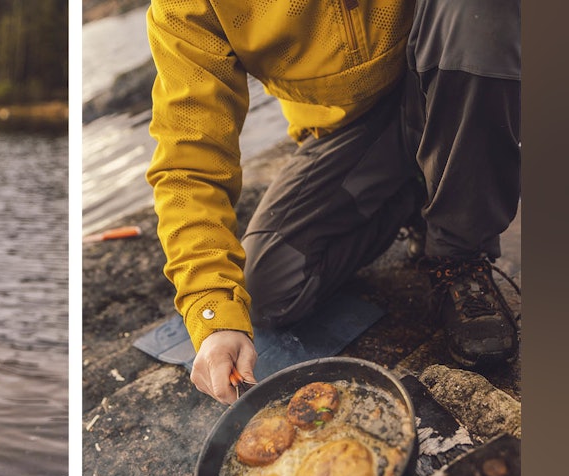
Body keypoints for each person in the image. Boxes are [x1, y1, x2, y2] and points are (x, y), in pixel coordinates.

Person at [146, 0, 520, 404]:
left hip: (443, 74)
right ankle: (417, 192)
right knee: (269, 287)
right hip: (355, 133)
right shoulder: (183, 8)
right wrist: (213, 313)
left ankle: (459, 255)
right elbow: (188, 162)